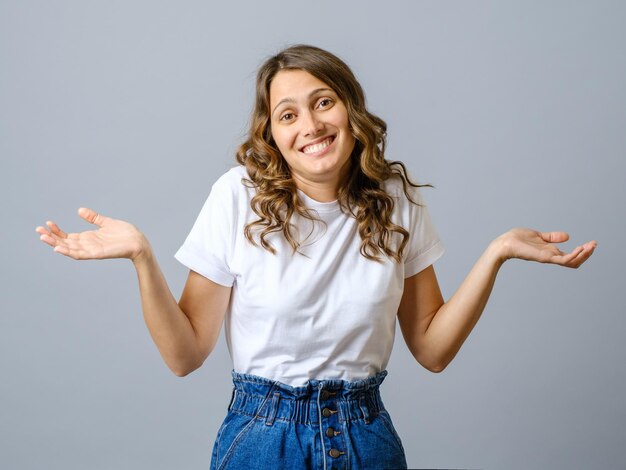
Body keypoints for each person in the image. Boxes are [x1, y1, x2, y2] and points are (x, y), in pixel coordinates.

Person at [35, 44, 597, 470]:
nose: (310, 125)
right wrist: (142, 257)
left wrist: (495, 254)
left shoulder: (396, 202)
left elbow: (431, 348)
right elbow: (185, 356)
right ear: (273, 135)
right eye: (288, 114)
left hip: (366, 435)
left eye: (323, 102)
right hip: (261, 436)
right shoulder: (238, 196)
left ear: (350, 110)